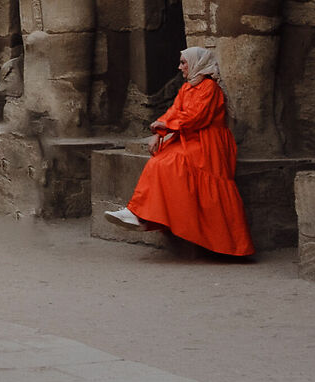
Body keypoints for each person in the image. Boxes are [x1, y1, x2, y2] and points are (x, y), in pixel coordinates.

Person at [105, 46, 254, 256]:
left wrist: (164, 127)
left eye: (184, 63)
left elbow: (196, 117)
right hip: (191, 138)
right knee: (158, 162)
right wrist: (158, 133)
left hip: (209, 143)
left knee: (169, 163)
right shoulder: (187, 88)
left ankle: (139, 213)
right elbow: (175, 111)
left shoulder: (209, 88)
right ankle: (138, 212)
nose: (180, 67)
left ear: (196, 64)